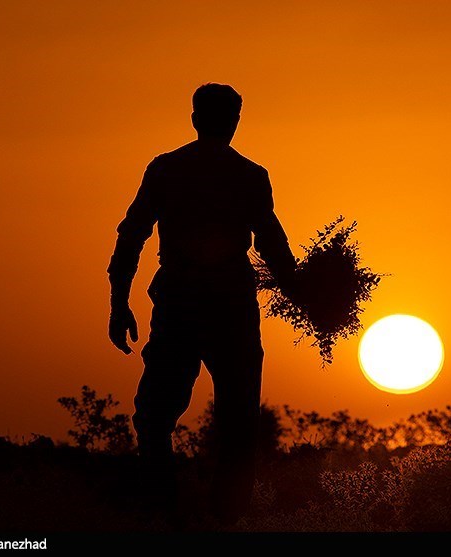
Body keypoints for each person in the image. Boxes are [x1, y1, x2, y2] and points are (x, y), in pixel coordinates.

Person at [106, 83, 297, 522]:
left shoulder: (166, 169)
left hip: (182, 305)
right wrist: (308, 294)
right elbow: (273, 246)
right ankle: (215, 523)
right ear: (234, 122)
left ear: (195, 119)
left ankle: (168, 517)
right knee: (238, 425)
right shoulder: (250, 175)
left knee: (154, 418)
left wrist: (119, 304)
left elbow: (131, 236)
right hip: (226, 308)